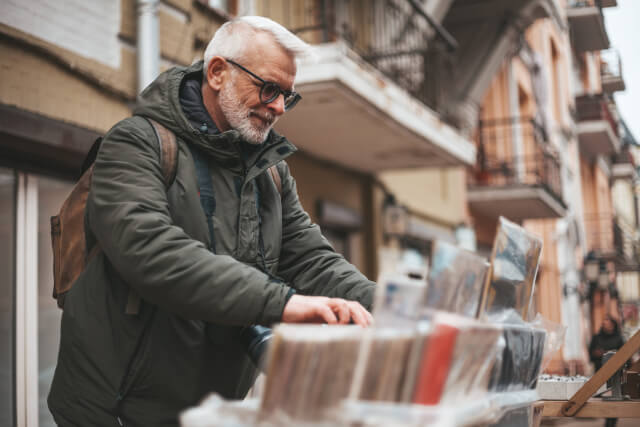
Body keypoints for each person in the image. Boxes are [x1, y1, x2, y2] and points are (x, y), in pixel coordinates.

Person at [48, 16, 375, 426]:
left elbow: (313, 261)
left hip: (212, 414)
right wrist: (285, 302)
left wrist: (394, 310)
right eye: (269, 88)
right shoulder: (134, 143)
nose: (277, 107)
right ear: (218, 72)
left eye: (287, 97)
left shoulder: (270, 173)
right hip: (115, 412)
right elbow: (153, 253)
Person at [589, 315, 625, 427]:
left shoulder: (619, 338)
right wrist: (596, 353)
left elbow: (625, 354)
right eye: (604, 324)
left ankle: (612, 420)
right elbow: (591, 352)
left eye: (608, 324)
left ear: (613, 325)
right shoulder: (597, 337)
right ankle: (607, 419)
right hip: (600, 373)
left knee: (614, 398)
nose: (606, 326)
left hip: (615, 374)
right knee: (602, 399)